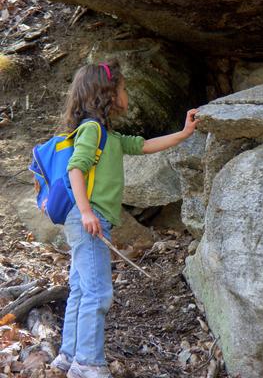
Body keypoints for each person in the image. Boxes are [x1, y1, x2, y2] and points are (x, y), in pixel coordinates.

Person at [51, 59, 200, 378]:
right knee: (98, 292)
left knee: (80, 288)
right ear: (107, 94)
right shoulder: (92, 130)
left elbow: (145, 146)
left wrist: (185, 133)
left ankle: (68, 355)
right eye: (123, 87)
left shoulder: (109, 136)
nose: (126, 93)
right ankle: (87, 362)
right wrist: (88, 211)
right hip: (87, 219)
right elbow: (75, 169)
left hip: (84, 219)